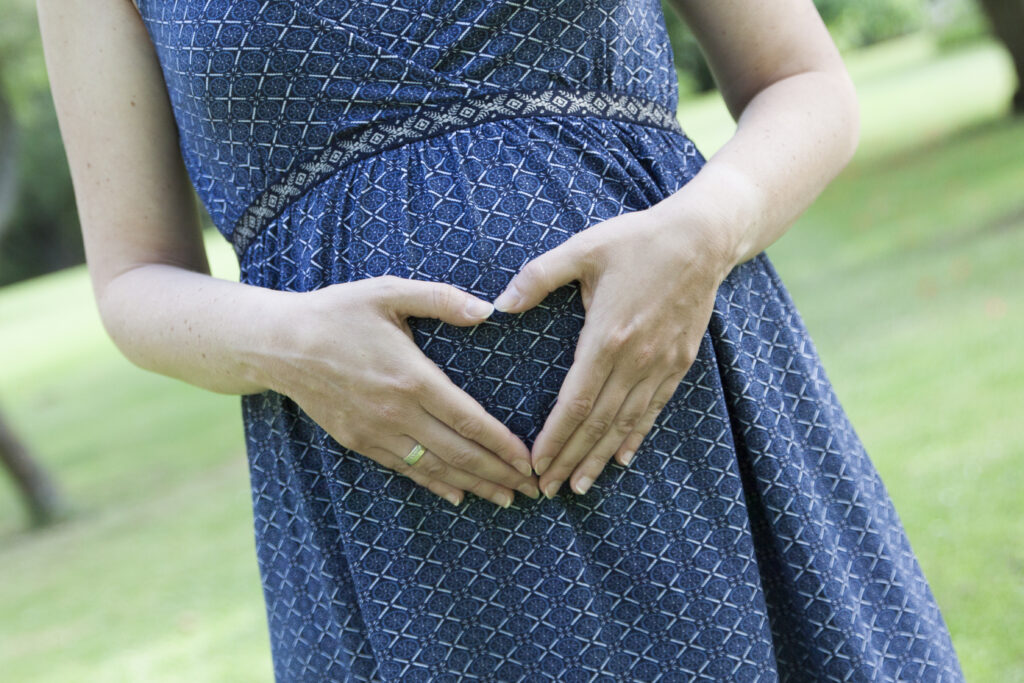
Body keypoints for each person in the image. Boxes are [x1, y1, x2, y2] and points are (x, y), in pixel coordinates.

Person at [37, 0, 966, 680]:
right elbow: (131, 280)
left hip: (690, 432)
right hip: (398, 523)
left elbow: (804, 81)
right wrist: (287, 340)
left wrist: (706, 227)